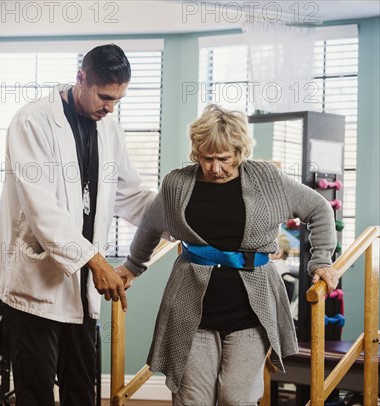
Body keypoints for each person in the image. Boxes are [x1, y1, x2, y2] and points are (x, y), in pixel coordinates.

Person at [116, 104, 339, 405]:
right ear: (196, 152)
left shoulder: (267, 179)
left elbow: (319, 208)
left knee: (237, 398)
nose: (216, 168)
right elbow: (150, 225)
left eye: (224, 159)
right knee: (193, 400)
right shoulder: (178, 183)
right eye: (208, 158)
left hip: (251, 308)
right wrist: (132, 266)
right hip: (191, 308)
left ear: (240, 151)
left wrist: (321, 260)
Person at [0, 44, 155, 406]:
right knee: (37, 395)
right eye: (105, 96)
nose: (110, 107)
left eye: (118, 99)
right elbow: (42, 209)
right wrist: (97, 262)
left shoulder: (110, 130)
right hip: (33, 288)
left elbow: (130, 196)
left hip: (79, 292)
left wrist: (179, 210)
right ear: (81, 78)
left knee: (82, 393)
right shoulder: (32, 121)